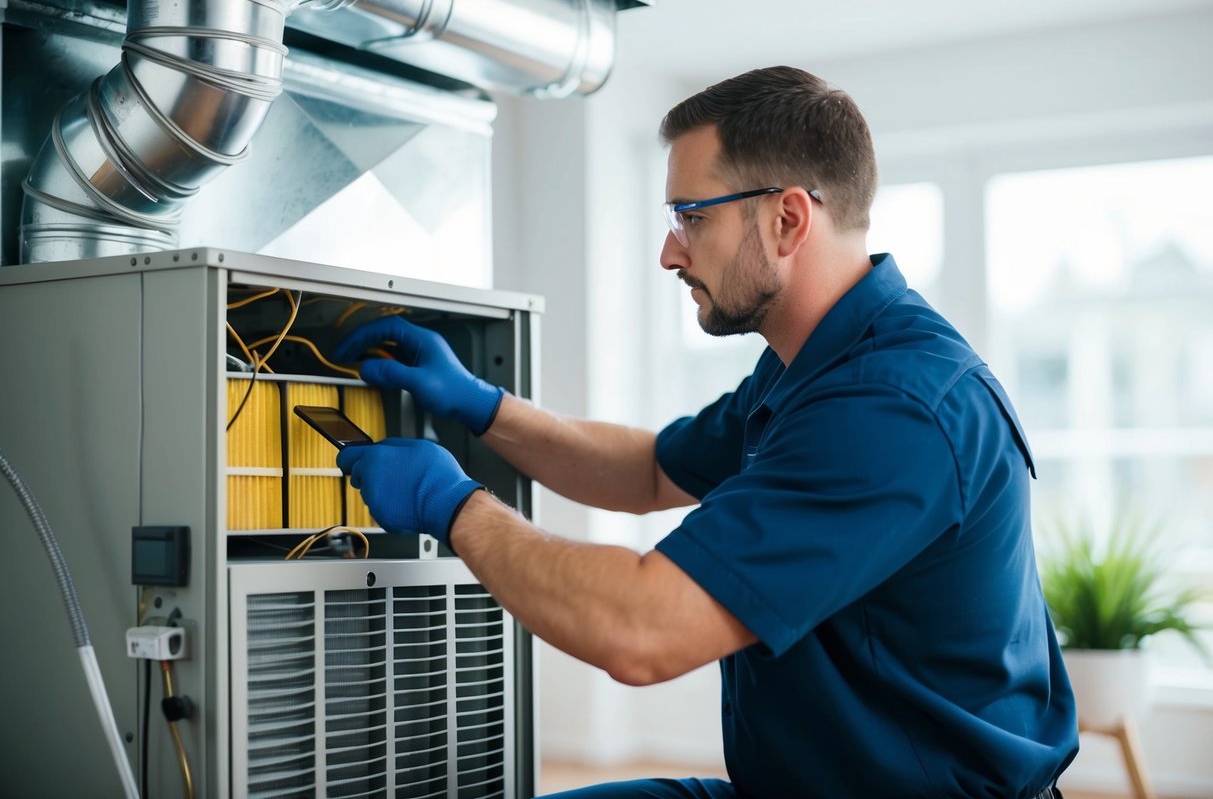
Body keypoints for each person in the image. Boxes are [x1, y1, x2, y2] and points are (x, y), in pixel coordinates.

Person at [332, 66, 1079, 798]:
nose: (669, 251)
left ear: (787, 219)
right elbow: (651, 472)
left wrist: (453, 505)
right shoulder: (810, 366)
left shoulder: (889, 408)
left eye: (692, 217)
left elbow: (640, 630)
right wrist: (479, 405)